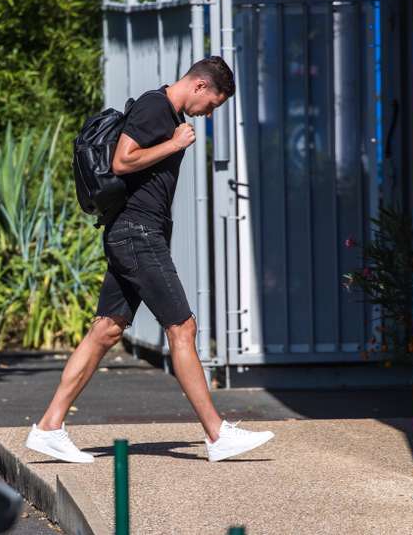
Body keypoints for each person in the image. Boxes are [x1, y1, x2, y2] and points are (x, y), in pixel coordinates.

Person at [25, 56, 274, 463]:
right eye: (211, 105)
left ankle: (50, 427)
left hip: (135, 234)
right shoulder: (155, 107)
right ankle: (216, 434)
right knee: (183, 327)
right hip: (137, 235)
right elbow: (122, 160)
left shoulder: (165, 110)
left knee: (106, 331)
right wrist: (174, 144)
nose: (208, 114)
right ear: (198, 86)